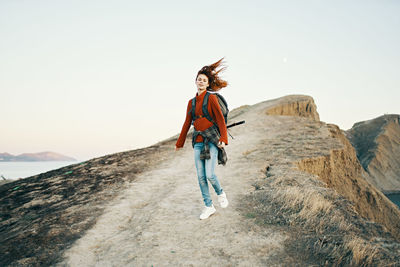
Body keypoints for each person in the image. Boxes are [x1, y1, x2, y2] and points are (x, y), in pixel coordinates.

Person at [175, 57, 229, 220]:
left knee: (210, 174)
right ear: (195, 81)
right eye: (199, 79)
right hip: (197, 142)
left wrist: (223, 138)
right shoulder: (191, 102)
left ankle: (220, 193)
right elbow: (187, 123)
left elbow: (220, 118)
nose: (201, 82)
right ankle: (208, 206)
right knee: (200, 176)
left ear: (207, 84)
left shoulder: (211, 98)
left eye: (204, 80)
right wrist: (180, 142)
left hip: (211, 140)